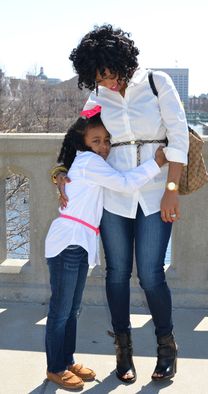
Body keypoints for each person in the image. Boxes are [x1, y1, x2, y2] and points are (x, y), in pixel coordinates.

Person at [53, 24, 189, 384]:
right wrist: (62, 169)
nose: (106, 83)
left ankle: (166, 347)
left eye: (109, 75)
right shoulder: (99, 93)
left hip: (156, 190)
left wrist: (172, 190)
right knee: (115, 275)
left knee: (150, 273)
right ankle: (123, 352)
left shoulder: (157, 83)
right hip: (114, 196)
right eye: (98, 78)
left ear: (122, 62)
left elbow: (178, 139)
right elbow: (77, 135)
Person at [46, 109, 167, 390]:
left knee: (72, 310)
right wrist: (156, 162)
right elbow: (125, 184)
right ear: (83, 142)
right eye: (96, 140)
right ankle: (55, 368)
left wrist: (59, 172)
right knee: (61, 311)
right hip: (69, 242)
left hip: (78, 242)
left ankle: (67, 360)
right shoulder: (89, 161)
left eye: (107, 141)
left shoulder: (87, 162)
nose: (103, 147)